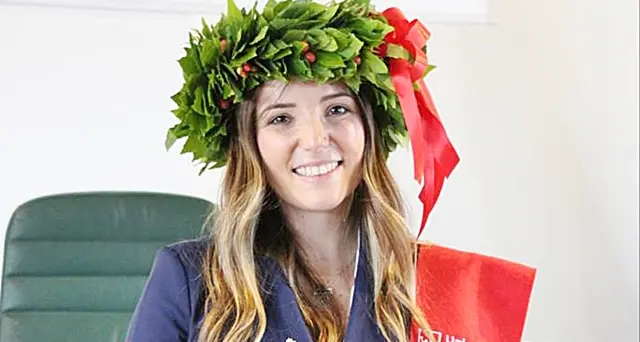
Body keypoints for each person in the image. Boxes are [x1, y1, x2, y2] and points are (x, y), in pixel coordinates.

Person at [127, 0, 535, 341]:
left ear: (368, 130)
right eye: (281, 119)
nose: (316, 137)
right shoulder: (189, 281)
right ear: (250, 144)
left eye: (337, 109)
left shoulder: (437, 285)